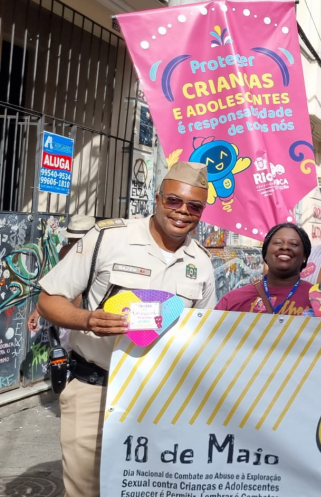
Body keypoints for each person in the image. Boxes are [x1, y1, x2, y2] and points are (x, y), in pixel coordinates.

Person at [36, 161, 216, 497]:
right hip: (95, 388)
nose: (182, 212)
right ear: (158, 199)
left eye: (194, 206)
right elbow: (48, 301)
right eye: (174, 201)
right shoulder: (108, 238)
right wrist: (88, 320)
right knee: (86, 490)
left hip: (158, 398)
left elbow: (200, 334)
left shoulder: (201, 263)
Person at [216, 224, 312, 315]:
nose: (285, 247)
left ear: (304, 256)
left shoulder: (319, 300)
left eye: (294, 244)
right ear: (265, 253)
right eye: (278, 243)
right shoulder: (232, 300)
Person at [28, 215, 96, 332]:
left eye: (78, 241)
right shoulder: (66, 252)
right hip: (67, 318)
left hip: (90, 319)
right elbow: (55, 286)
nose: (74, 246)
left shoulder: (99, 256)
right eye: (72, 241)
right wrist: (38, 310)